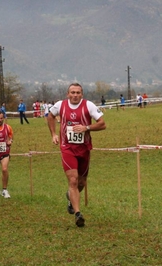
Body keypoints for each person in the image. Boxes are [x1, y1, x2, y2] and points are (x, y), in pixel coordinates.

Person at [47, 83, 106, 227]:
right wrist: (54, 134)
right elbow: (50, 116)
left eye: (78, 92)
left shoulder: (89, 105)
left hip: (84, 149)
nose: (75, 95)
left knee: (81, 183)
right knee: (73, 180)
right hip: (67, 149)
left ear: (82, 94)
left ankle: (70, 198)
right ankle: (78, 213)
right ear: (68, 94)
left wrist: (86, 127)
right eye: (72, 92)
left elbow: (102, 124)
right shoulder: (60, 105)